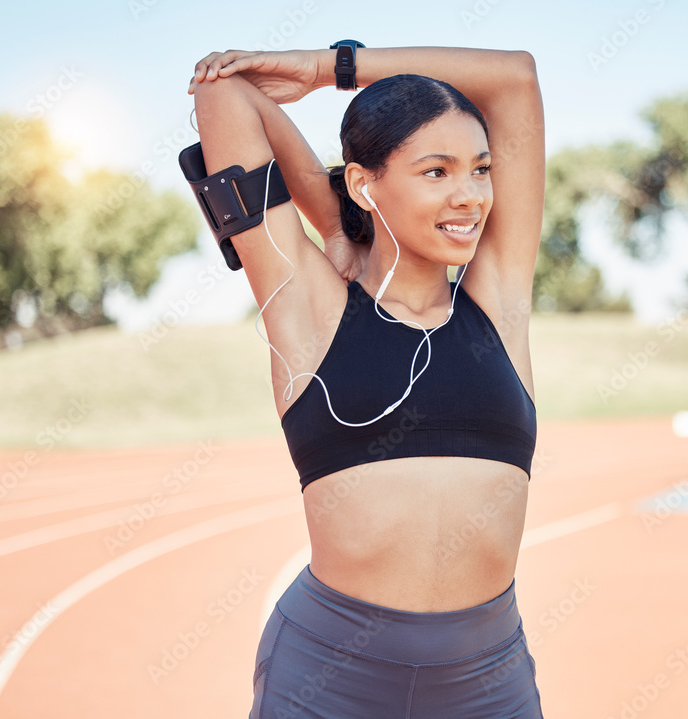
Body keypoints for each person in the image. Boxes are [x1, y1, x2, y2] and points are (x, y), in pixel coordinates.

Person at [187, 43, 545, 718]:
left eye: (480, 169)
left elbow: (516, 77)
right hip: (330, 683)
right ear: (363, 182)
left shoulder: (502, 305)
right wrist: (335, 218)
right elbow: (223, 95)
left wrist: (331, 68)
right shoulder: (308, 310)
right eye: (436, 171)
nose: (468, 195)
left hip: (487, 685)